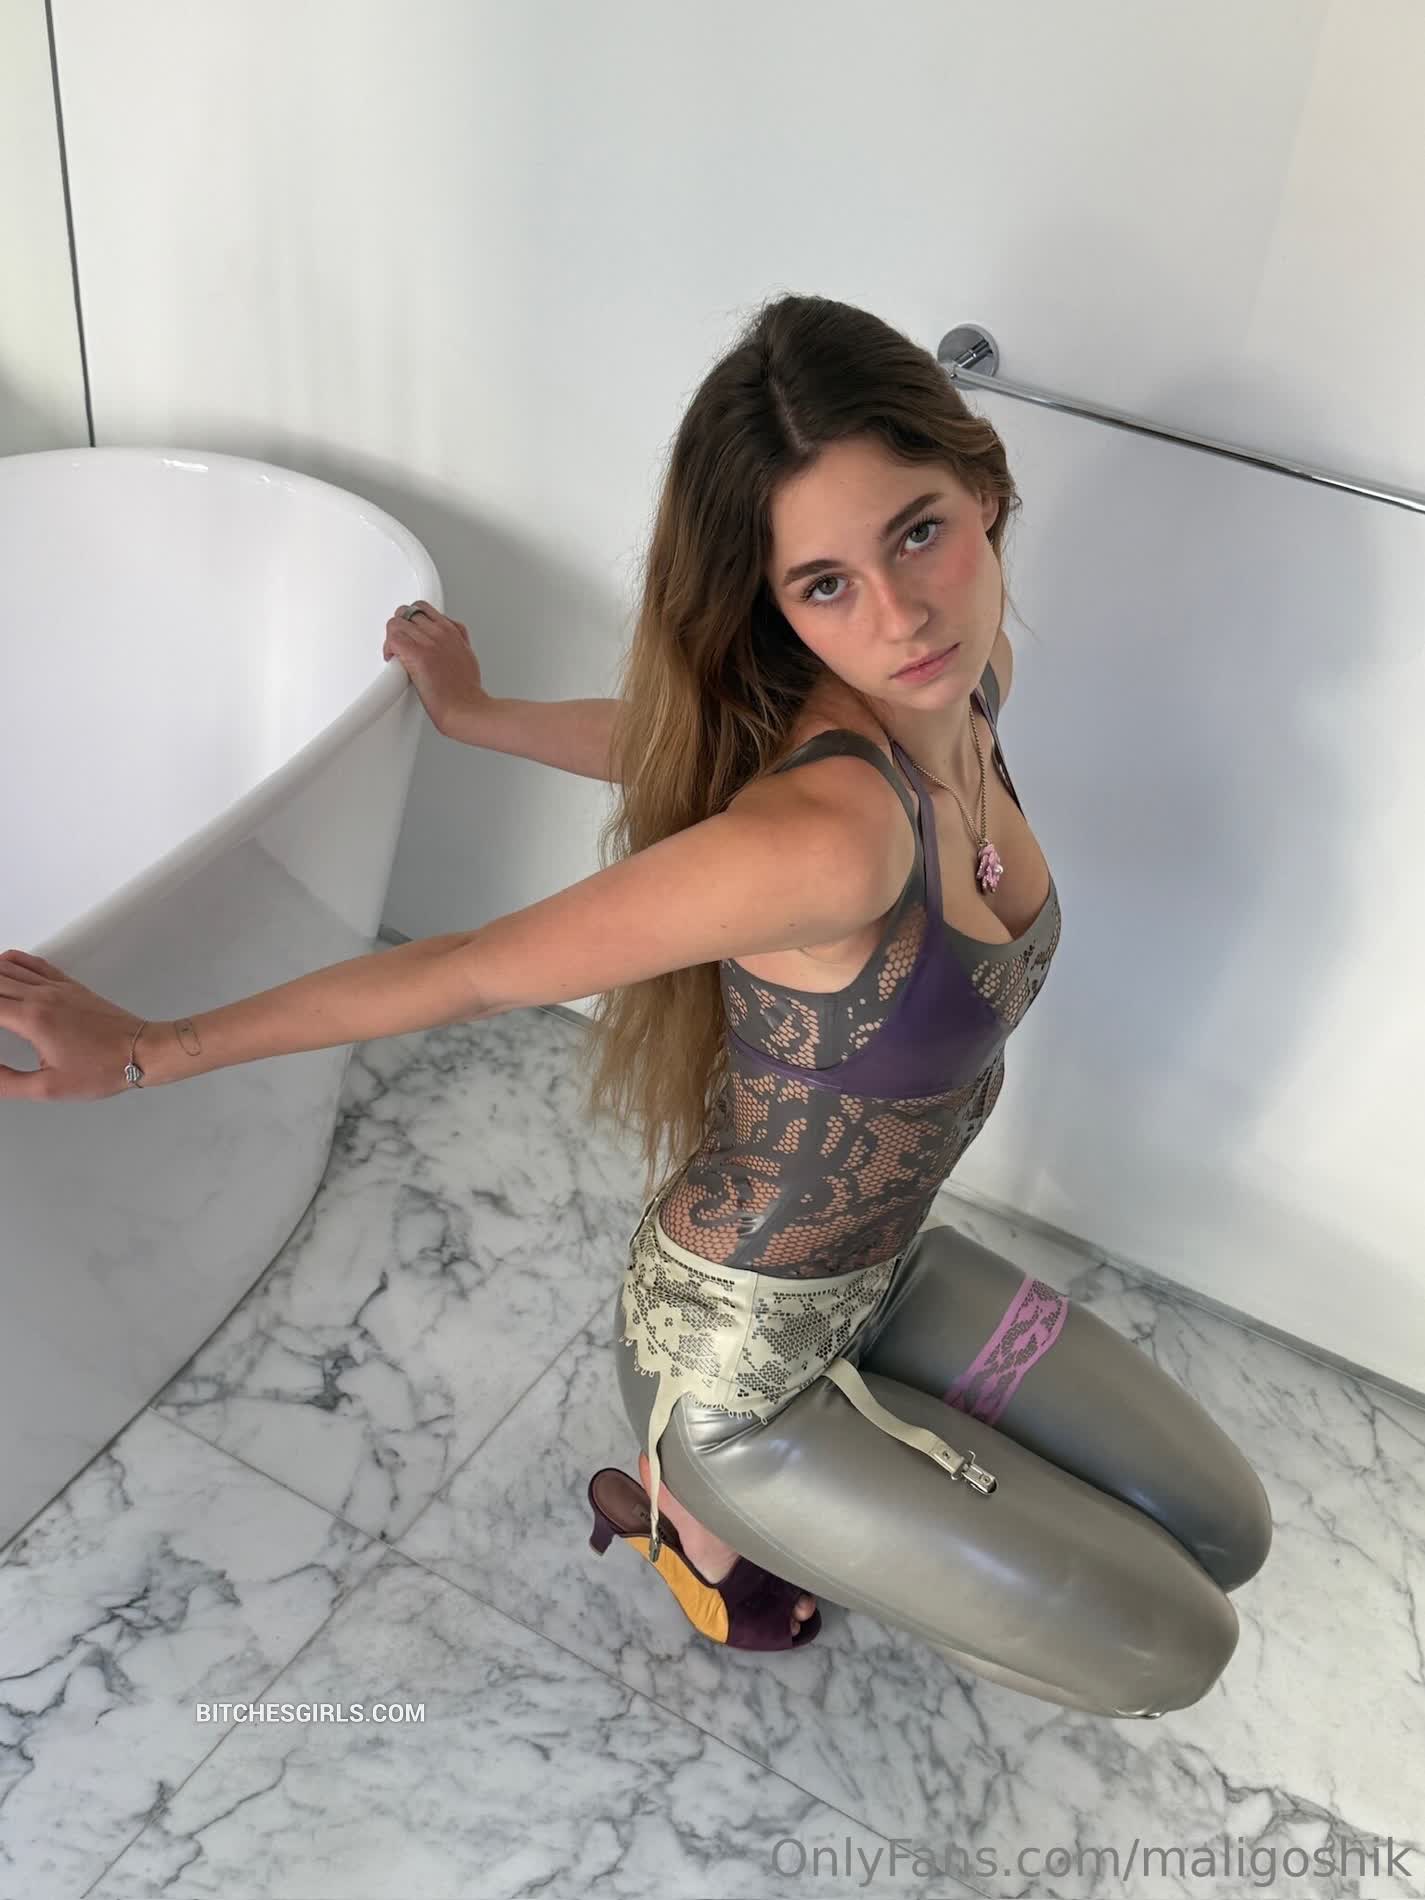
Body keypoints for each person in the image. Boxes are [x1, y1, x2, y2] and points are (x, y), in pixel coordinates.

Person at [0, 293, 1272, 1715]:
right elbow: (469, 966)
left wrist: (482, 715)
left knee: (1229, 1530)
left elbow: (691, 745)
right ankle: (692, 1507)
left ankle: (841, 1493)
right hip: (735, 1363)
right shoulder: (830, 843)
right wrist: (143, 1051)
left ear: (984, 489)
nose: (901, 614)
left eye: (918, 533)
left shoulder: (963, 691)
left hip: (887, 1267)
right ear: (777, 606)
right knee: (1175, 1647)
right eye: (825, 585)